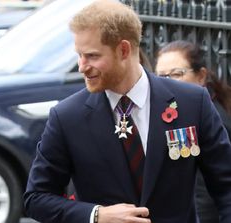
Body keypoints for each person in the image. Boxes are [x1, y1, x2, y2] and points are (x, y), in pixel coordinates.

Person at [23, 1, 231, 223]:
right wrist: (96, 215)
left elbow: (226, 184)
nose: (82, 66)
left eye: (92, 56)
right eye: (79, 55)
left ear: (123, 50)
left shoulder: (192, 102)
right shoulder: (67, 117)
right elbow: (36, 198)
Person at [155, 40, 231, 223]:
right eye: (161, 76)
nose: (167, 82)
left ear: (201, 76)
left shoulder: (209, 119)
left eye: (176, 74)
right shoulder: (179, 111)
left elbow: (202, 189)